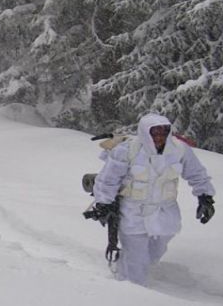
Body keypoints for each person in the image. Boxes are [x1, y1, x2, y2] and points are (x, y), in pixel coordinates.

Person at [91, 113, 216, 286]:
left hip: (165, 211)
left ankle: (126, 267)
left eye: (163, 132)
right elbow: (108, 179)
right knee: (137, 258)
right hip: (133, 212)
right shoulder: (126, 150)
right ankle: (131, 290)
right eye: (154, 133)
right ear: (145, 133)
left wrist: (205, 198)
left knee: (154, 253)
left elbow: (197, 174)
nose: (159, 137)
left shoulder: (179, 150)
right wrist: (104, 203)